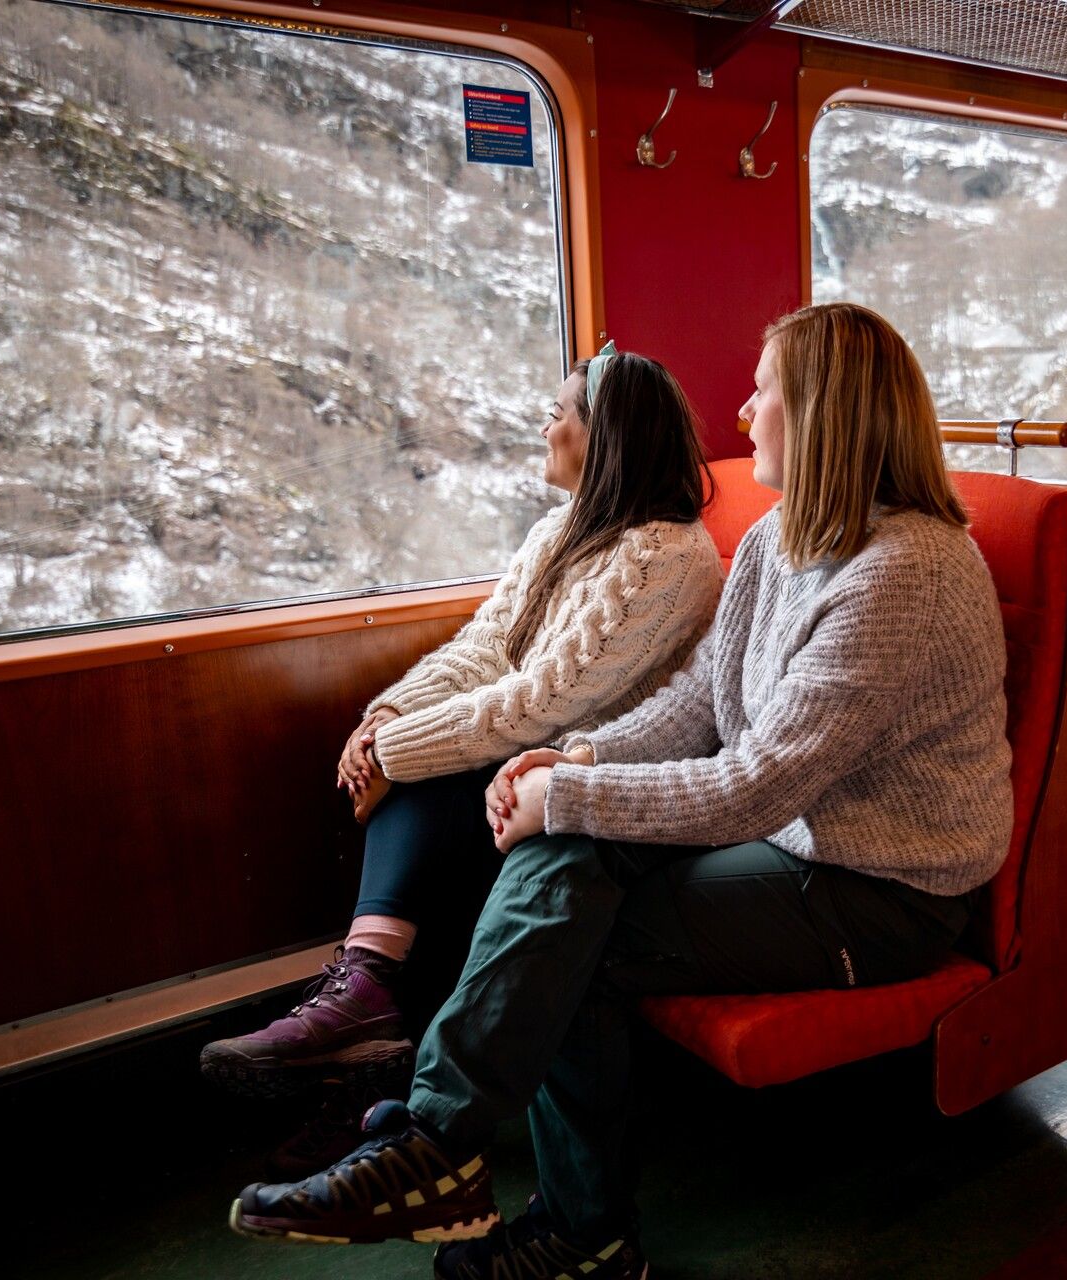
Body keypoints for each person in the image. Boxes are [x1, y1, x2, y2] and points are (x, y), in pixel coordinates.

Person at [227, 302, 1013, 1277]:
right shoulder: (778, 539)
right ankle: (469, 1165)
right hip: (791, 842)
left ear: (823, 411)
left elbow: (758, 782)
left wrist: (571, 794)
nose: (744, 405)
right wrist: (579, 761)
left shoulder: (909, 571)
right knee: (560, 857)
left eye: (765, 388)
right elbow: (703, 701)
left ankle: (546, 1209)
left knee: (574, 919)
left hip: (881, 887)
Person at [198, 343, 723, 1159]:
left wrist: (398, 753)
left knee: (438, 772)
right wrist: (388, 717)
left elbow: (544, 699)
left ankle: (364, 1000)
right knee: (431, 765)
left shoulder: (667, 555)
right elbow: (484, 649)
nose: (544, 424)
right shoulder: (561, 531)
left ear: (608, 437)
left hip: (594, 770)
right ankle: (368, 1025)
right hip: (516, 756)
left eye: (561, 412)